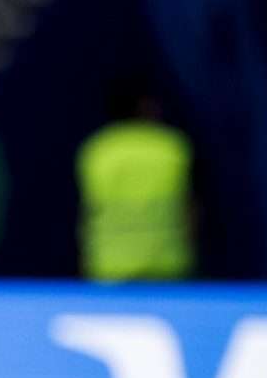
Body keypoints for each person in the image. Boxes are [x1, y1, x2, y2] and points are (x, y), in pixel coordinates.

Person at [77, 85, 196, 281]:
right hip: (167, 264)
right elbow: (190, 208)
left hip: (108, 266)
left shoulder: (97, 150)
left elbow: (86, 211)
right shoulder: (172, 147)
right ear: (146, 107)